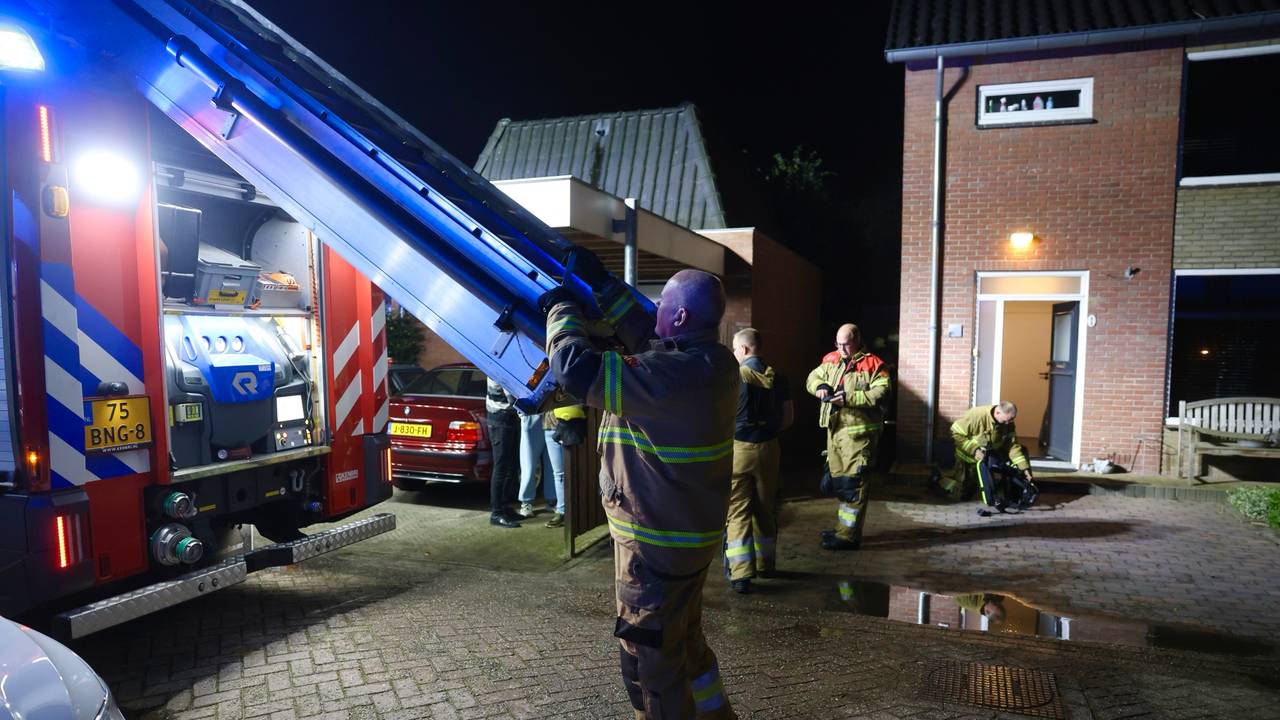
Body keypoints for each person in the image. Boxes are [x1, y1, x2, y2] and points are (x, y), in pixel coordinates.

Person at [546, 263, 738, 719]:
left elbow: (575, 369)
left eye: (664, 304)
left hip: (654, 547)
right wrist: (605, 287)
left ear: (682, 318)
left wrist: (561, 311)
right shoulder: (712, 362)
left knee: (649, 661)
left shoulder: (669, 376)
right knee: (683, 639)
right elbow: (646, 337)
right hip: (686, 542)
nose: (655, 311)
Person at [806, 323, 891, 551]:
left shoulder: (874, 364)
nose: (842, 349)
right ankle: (843, 530)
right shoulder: (831, 359)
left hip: (859, 436)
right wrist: (820, 386)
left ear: (858, 340)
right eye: (838, 344)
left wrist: (848, 399)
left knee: (854, 485)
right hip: (835, 433)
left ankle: (848, 537)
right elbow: (812, 378)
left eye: (846, 344)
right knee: (842, 484)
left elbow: (881, 393)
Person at [724, 328, 793, 594]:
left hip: (739, 449)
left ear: (743, 350)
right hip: (769, 448)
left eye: (734, 348)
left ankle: (741, 575)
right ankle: (766, 564)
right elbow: (788, 419)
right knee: (765, 508)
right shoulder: (780, 378)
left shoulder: (734, 377)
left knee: (738, 510)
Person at [941, 401, 1035, 513]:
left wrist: (1024, 468)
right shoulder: (976, 415)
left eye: (1011, 420)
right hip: (968, 458)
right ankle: (940, 481)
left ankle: (999, 491)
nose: (1008, 423)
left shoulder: (1008, 423)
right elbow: (956, 433)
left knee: (1022, 451)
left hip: (987, 458)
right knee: (962, 494)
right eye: (1006, 420)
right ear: (997, 412)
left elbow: (1012, 446)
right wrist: (974, 449)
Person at [485, 377, 523, 528]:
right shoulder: (498, 366)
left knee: (511, 467)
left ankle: (505, 507)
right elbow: (512, 396)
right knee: (501, 468)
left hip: (509, 417)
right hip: (500, 419)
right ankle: (496, 513)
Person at [542, 403, 585, 528]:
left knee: (575, 469)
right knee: (559, 473)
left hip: (570, 423)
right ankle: (562, 510)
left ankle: (575, 510)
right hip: (550, 426)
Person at [516, 409, 558, 519]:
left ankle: (553, 500)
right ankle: (526, 502)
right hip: (531, 412)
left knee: (552, 462)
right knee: (528, 462)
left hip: (551, 412)